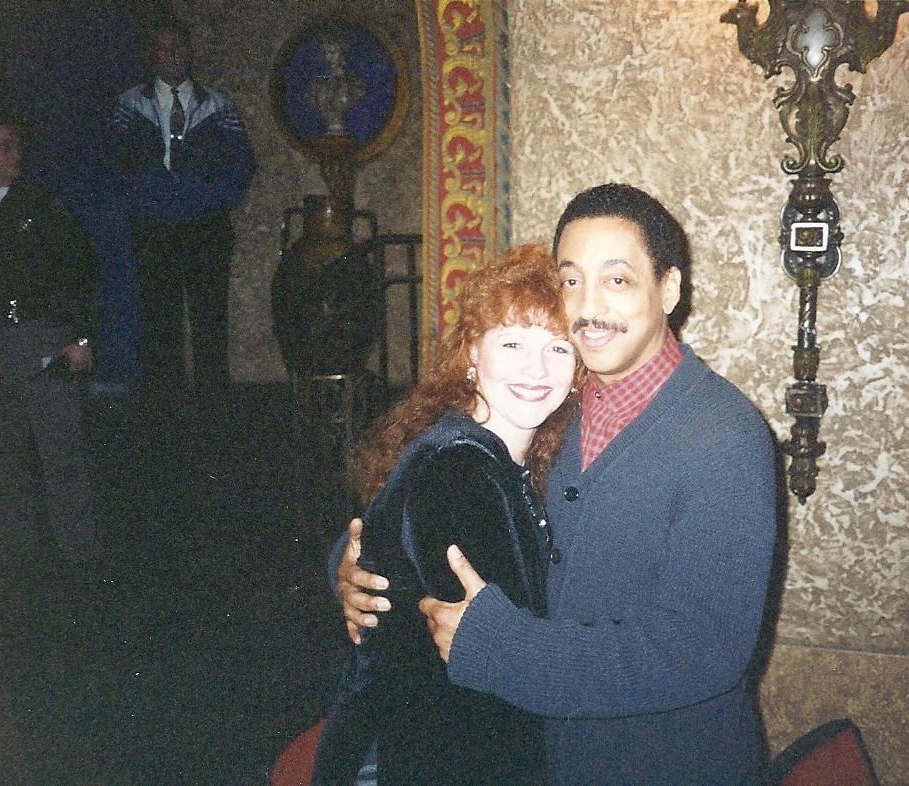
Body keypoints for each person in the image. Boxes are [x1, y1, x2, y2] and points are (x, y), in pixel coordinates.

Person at [336, 183, 778, 785]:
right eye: (571, 280)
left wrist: (504, 650)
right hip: (540, 759)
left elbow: (702, 648)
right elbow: (434, 489)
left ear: (669, 289)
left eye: (617, 279)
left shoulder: (724, 436)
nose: (589, 306)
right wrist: (354, 568)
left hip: (664, 765)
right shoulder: (551, 406)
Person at [314, 244, 580, 786]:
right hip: (410, 758)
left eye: (558, 347)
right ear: (472, 352)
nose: (536, 368)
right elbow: (488, 674)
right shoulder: (462, 469)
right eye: (512, 342)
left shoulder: (509, 454)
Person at [0, 106, 104, 786]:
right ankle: (18, 572)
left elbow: (81, 273)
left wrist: (78, 337)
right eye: (1, 144)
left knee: (62, 457)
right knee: (0, 464)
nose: (12, 153)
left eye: (18, 143)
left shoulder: (46, 209)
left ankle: (83, 569)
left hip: (42, 339)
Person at [110, 19, 254, 398]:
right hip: (153, 229)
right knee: (160, 324)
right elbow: (116, 163)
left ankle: (213, 409)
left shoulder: (217, 105)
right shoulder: (130, 105)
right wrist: (151, 196)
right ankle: (164, 413)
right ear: (151, 55)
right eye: (163, 47)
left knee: (210, 322)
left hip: (206, 229)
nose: (172, 55)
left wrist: (206, 196)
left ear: (190, 52)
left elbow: (241, 163)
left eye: (179, 47)